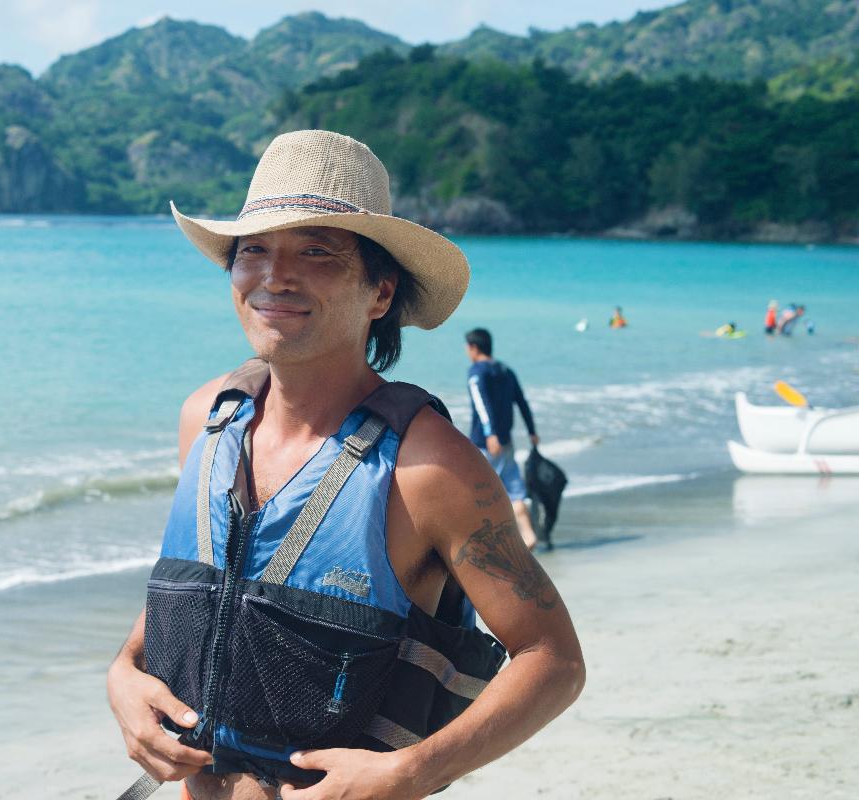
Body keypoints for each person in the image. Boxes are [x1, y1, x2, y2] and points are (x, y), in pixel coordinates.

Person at [106, 130, 584, 800]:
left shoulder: (428, 467)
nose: (275, 276)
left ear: (381, 293)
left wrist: (415, 770)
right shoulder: (206, 422)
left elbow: (553, 659)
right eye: (254, 251)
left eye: (316, 252)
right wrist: (124, 673)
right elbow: (204, 583)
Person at [464, 328, 541, 550]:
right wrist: (532, 431)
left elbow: (481, 403)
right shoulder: (506, 370)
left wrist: (490, 433)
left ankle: (488, 543)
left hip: (486, 443)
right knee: (514, 488)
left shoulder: (477, 372)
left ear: (474, 348)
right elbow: (522, 402)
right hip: (506, 440)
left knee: (481, 490)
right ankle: (528, 534)